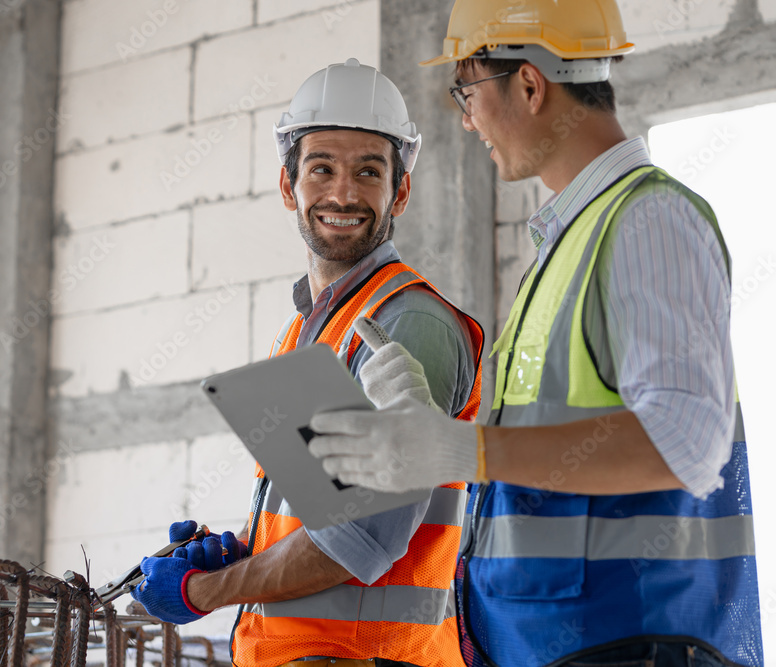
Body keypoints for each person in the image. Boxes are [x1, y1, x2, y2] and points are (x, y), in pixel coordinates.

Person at [307, 2, 763, 666]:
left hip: (638, 643)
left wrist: (462, 450)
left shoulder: (647, 220)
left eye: (467, 90)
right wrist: (430, 430)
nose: (465, 118)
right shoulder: (569, 240)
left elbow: (684, 442)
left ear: (528, 84)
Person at [132, 58, 485, 667]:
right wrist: (244, 549)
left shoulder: (411, 323)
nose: (342, 193)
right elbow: (319, 518)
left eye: (368, 172)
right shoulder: (305, 329)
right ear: (288, 185)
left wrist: (204, 592)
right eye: (321, 168)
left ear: (399, 189)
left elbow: (361, 541)